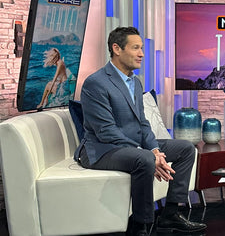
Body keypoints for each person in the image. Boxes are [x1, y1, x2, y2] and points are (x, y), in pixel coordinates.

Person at [73, 27, 207, 236]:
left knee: (186, 149)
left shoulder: (135, 82)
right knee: (143, 159)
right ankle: (140, 226)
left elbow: (143, 123)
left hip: (134, 146)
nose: (142, 54)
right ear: (117, 49)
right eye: (136, 48)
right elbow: (105, 131)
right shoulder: (96, 83)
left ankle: (170, 214)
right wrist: (147, 153)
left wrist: (154, 149)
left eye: (142, 48)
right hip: (101, 150)